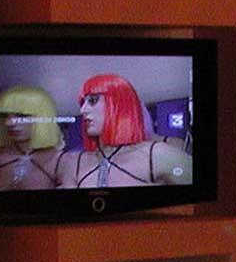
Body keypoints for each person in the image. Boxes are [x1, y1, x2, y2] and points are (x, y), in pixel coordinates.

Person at [54, 74, 192, 188]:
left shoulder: (157, 154)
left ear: (118, 104)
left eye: (93, 100)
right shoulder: (76, 162)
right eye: (82, 102)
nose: (83, 110)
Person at [0, 85, 62, 191]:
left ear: (42, 117)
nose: (9, 123)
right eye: (4, 115)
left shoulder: (60, 160)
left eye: (22, 115)